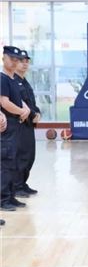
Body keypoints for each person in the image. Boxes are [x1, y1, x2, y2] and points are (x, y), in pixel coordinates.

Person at [0, 45, 30, 211]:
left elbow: (19, 100)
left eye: (17, 59)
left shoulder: (12, 80)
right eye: (11, 59)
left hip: (16, 125)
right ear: (3, 58)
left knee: (14, 163)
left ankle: (11, 196)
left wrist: (25, 109)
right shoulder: (2, 79)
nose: (14, 62)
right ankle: (3, 199)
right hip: (7, 127)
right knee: (6, 164)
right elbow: (4, 102)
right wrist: (21, 111)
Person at [13, 49, 39, 197]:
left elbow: (31, 102)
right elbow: (18, 103)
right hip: (19, 124)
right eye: (21, 61)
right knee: (21, 156)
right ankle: (16, 186)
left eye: (26, 61)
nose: (24, 64)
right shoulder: (12, 81)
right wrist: (33, 114)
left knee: (29, 156)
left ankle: (22, 183)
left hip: (29, 124)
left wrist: (37, 112)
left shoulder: (24, 81)